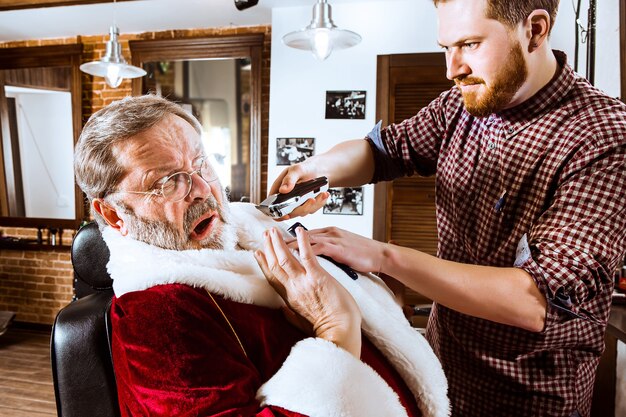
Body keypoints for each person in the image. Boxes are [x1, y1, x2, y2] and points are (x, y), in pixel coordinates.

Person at [268, 1, 626, 416]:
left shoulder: (605, 137)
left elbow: (534, 301)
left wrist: (383, 255)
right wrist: (312, 170)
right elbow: (382, 151)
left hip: (528, 400)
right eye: (445, 47)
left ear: (535, 30)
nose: (451, 68)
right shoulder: (460, 104)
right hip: (436, 373)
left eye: (469, 44)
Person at [73, 94, 450, 417]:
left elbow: (245, 213)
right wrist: (336, 330)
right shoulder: (158, 316)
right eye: (166, 182)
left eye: (201, 163)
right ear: (112, 215)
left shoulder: (234, 231)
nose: (203, 189)